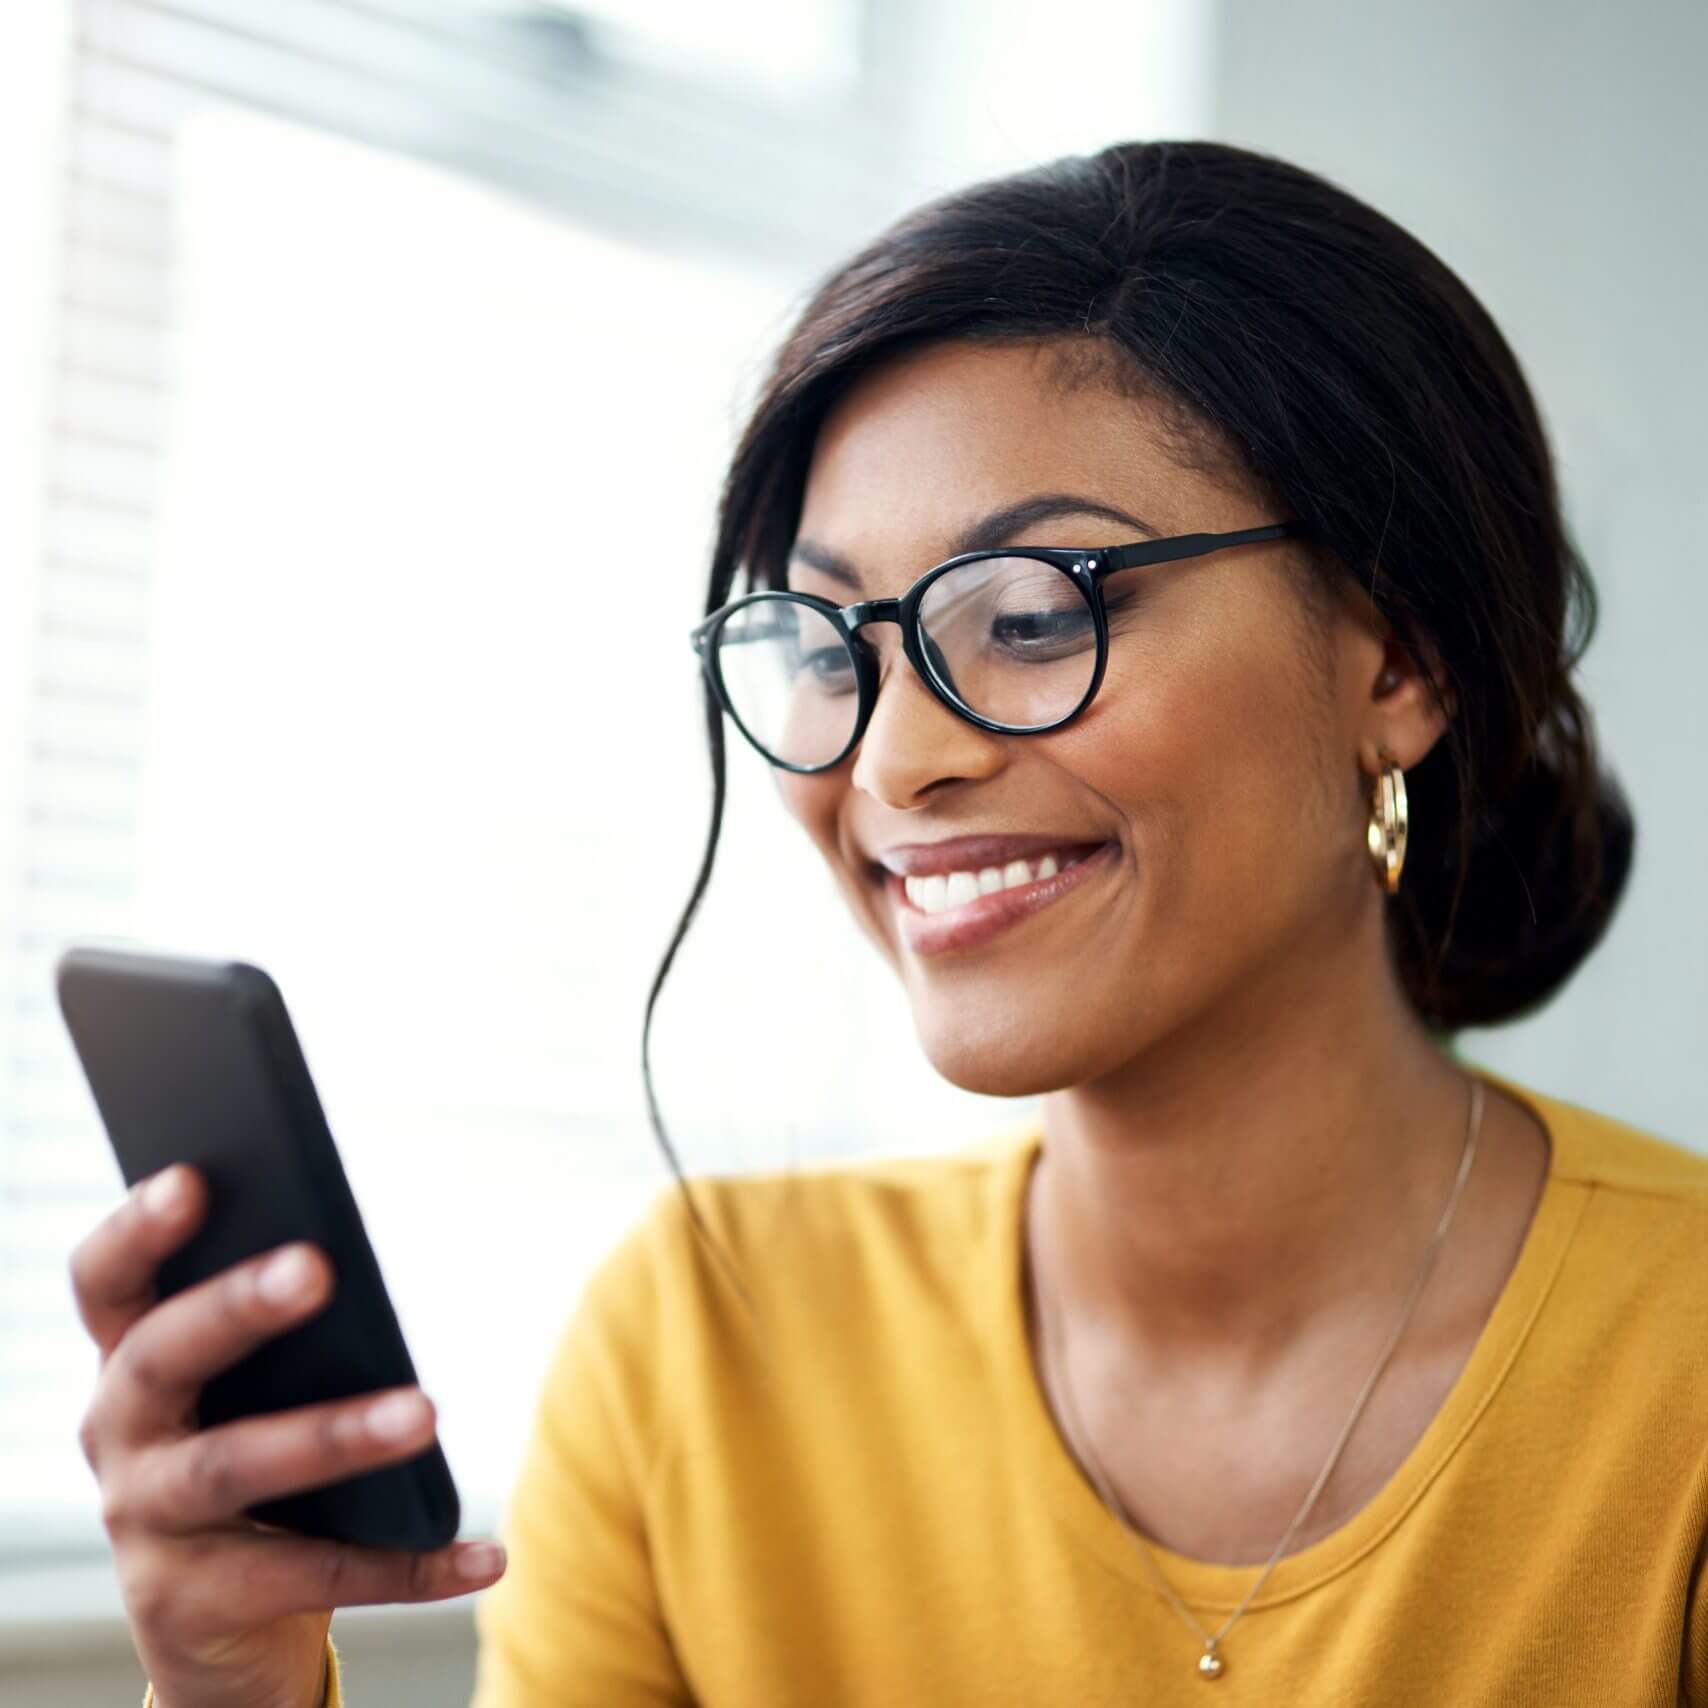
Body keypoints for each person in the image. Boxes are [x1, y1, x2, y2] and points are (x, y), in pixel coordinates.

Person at [76, 138, 1705, 1707]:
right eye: (829, 643)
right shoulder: (700, 1349)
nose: (894, 757)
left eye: (1028, 614)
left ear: (1400, 659)